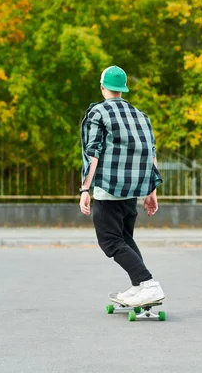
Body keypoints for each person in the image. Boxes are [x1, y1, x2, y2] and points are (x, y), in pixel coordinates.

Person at [79, 65, 165, 307]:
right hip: (132, 192)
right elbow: (151, 153)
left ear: (102, 88)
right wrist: (151, 190)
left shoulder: (98, 113)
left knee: (110, 240)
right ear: (123, 89)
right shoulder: (140, 115)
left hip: (108, 191)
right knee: (125, 238)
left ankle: (147, 283)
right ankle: (139, 286)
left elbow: (92, 152)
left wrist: (85, 189)